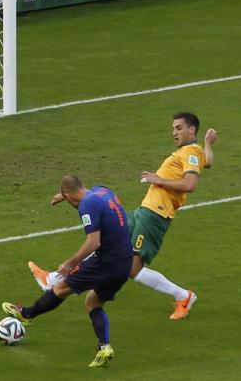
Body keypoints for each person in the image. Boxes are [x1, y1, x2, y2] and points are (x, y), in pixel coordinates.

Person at [30, 113, 218, 320]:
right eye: (173, 128)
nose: (174, 132)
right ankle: (53, 278)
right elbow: (207, 161)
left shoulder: (190, 153)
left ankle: (183, 296)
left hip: (155, 217)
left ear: (192, 130)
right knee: (108, 241)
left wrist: (159, 179)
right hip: (144, 211)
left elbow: (190, 184)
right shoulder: (194, 152)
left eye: (179, 128)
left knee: (132, 270)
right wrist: (208, 143)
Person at [3, 176, 133, 368]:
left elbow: (93, 242)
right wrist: (64, 196)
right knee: (93, 301)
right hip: (125, 261)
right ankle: (104, 347)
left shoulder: (86, 206)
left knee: (61, 287)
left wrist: (71, 263)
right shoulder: (102, 191)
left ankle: (27, 315)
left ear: (69, 196)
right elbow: (90, 199)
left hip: (105, 261)